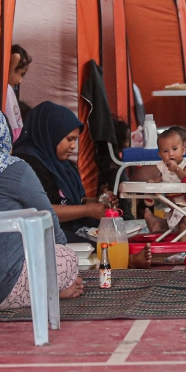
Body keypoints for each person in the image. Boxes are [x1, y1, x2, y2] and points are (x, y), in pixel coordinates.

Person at [0, 105, 82, 311]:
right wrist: (63, 259)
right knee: (67, 258)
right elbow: (48, 219)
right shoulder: (13, 167)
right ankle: (52, 289)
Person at [14, 101, 151, 267]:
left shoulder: (63, 165)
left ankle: (123, 256)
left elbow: (71, 201)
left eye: (75, 140)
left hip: (69, 224)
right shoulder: (27, 164)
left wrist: (97, 202)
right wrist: (88, 210)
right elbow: (44, 211)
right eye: (69, 139)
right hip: (42, 230)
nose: (73, 146)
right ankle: (127, 260)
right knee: (81, 240)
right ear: (51, 134)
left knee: (110, 229)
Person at [5, 45, 32, 140]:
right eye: (21, 74)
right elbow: (16, 56)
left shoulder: (9, 90)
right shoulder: (5, 86)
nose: (20, 80)